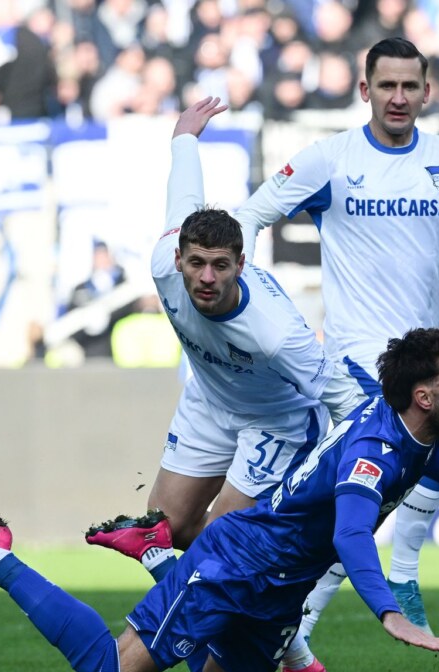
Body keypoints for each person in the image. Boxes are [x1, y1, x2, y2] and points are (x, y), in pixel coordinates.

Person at [0, 327, 439, 672]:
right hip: (236, 561)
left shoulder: (409, 429)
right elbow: (350, 533)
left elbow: (429, 455)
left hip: (281, 587)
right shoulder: (371, 456)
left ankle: (156, 555)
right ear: (425, 396)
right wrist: (389, 613)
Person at [216, 36, 439, 672]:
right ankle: (377, 591)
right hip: (354, 361)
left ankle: (303, 645)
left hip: (421, 358)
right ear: (365, 90)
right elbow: (251, 215)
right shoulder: (331, 159)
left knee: (369, 503)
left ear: (427, 92)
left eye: (410, 86)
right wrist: (241, 299)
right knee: (382, 489)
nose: (399, 98)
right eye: (387, 86)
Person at [95, 97, 364, 558]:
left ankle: (270, 570)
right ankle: (263, 554)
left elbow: (348, 402)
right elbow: (184, 197)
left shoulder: (276, 333)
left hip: (277, 421)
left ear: (241, 265)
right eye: (196, 263)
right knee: (166, 529)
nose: (206, 278)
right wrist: (184, 138)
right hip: (210, 399)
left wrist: (376, 474)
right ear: (177, 258)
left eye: (220, 266)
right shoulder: (162, 267)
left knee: (222, 543)